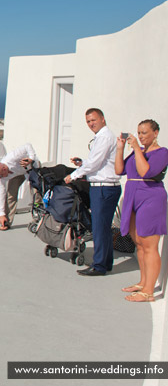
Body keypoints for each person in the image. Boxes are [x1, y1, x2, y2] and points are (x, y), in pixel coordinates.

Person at [115, 119, 167, 302]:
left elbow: (146, 172)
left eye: (145, 132)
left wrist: (137, 148)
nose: (141, 136)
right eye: (139, 132)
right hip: (133, 197)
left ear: (155, 133)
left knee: (149, 245)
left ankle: (149, 292)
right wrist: (121, 148)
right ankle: (143, 283)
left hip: (151, 198)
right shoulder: (139, 152)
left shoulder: (162, 153)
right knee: (139, 243)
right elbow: (119, 170)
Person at [66, 108, 122, 277]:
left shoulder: (104, 137)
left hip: (104, 188)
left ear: (103, 119)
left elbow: (95, 163)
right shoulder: (103, 137)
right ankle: (106, 262)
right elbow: (99, 162)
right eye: (88, 121)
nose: (91, 124)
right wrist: (83, 163)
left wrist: (74, 175)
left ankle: (99, 266)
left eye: (93, 120)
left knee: (99, 228)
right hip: (104, 187)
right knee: (103, 228)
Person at [0, 143, 39, 231]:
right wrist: (1, 214)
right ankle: (6, 222)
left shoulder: (13, 157)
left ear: (4, 169)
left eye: (1, 175)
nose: (1, 178)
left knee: (36, 193)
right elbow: (1, 194)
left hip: (31, 167)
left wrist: (31, 158)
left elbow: (27, 145)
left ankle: (38, 219)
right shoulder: (0, 177)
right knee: (10, 195)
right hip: (17, 174)